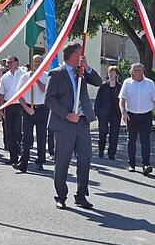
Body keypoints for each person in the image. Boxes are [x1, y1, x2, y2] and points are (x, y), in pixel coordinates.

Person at [46, 42, 102, 210]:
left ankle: (81, 195)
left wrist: (88, 67)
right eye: (80, 53)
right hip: (65, 124)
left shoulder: (82, 72)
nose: (82, 56)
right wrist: (66, 114)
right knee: (62, 161)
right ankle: (61, 196)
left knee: (85, 160)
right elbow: (49, 99)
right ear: (72, 55)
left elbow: (98, 82)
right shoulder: (56, 74)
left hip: (82, 123)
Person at [119, 63, 155, 175]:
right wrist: (123, 111)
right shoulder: (127, 83)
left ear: (140, 71)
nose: (131, 72)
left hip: (145, 116)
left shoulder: (150, 83)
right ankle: (131, 164)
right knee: (131, 141)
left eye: (134, 70)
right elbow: (122, 99)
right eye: (131, 70)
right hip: (131, 115)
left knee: (145, 141)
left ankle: (146, 164)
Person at [15, 54, 49, 172]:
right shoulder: (25, 77)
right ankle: (23, 162)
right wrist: (26, 108)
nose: (37, 64)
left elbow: (46, 91)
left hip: (42, 108)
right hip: (28, 108)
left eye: (39, 61)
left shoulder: (46, 76)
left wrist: (36, 79)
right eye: (35, 61)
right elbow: (19, 95)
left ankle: (40, 161)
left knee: (41, 135)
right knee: (27, 136)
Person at [0, 55, 26, 166]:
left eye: (10, 62)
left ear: (16, 62)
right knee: (9, 132)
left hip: (20, 105)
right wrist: (0, 109)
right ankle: (13, 157)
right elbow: (1, 94)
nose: (8, 64)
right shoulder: (5, 77)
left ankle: (21, 154)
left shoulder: (23, 74)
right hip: (9, 106)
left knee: (18, 131)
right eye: (7, 63)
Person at [94, 66, 122, 159]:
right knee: (103, 132)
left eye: (113, 73)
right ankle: (101, 150)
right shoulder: (103, 86)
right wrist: (96, 112)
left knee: (114, 134)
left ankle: (111, 154)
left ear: (116, 74)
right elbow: (98, 100)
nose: (110, 74)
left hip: (116, 114)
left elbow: (123, 100)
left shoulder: (120, 87)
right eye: (109, 72)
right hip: (103, 113)